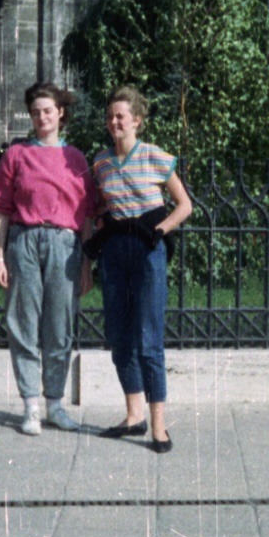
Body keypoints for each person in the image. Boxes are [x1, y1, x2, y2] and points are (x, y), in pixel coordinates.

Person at [0, 83, 96, 434]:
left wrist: (86, 264)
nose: (42, 117)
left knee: (60, 326)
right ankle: (31, 406)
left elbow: (88, 216)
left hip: (65, 246)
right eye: (35, 112)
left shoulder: (76, 159)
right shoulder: (17, 155)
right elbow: (2, 210)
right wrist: (0, 257)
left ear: (60, 112)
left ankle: (55, 405)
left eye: (48, 110)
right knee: (23, 324)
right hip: (25, 243)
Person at [90, 86, 192, 453]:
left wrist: (160, 230)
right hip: (115, 252)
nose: (114, 122)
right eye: (110, 116)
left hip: (148, 251)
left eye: (121, 116)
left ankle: (159, 426)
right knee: (119, 336)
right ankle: (134, 415)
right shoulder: (100, 163)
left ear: (137, 120)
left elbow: (184, 205)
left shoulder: (155, 157)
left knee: (149, 339)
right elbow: (101, 204)